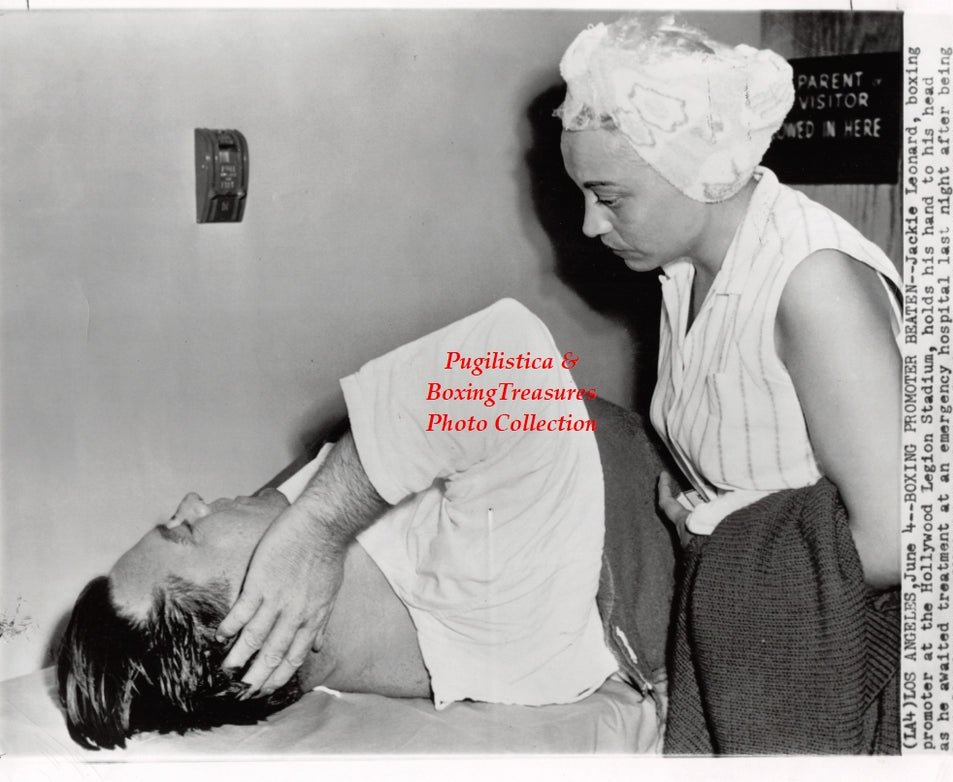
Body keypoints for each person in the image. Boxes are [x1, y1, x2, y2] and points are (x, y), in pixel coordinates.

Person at [58, 299, 638, 750]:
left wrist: (307, 529)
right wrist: (318, 528)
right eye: (184, 530)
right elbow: (509, 355)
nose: (190, 502)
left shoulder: (323, 608)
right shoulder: (490, 599)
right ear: (262, 625)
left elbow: (289, 497)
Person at [554, 14, 904, 753]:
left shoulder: (813, 282)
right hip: (743, 600)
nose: (589, 225)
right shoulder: (685, 269)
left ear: (697, 169)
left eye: (609, 197)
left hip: (839, 646)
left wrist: (713, 538)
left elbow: (896, 543)